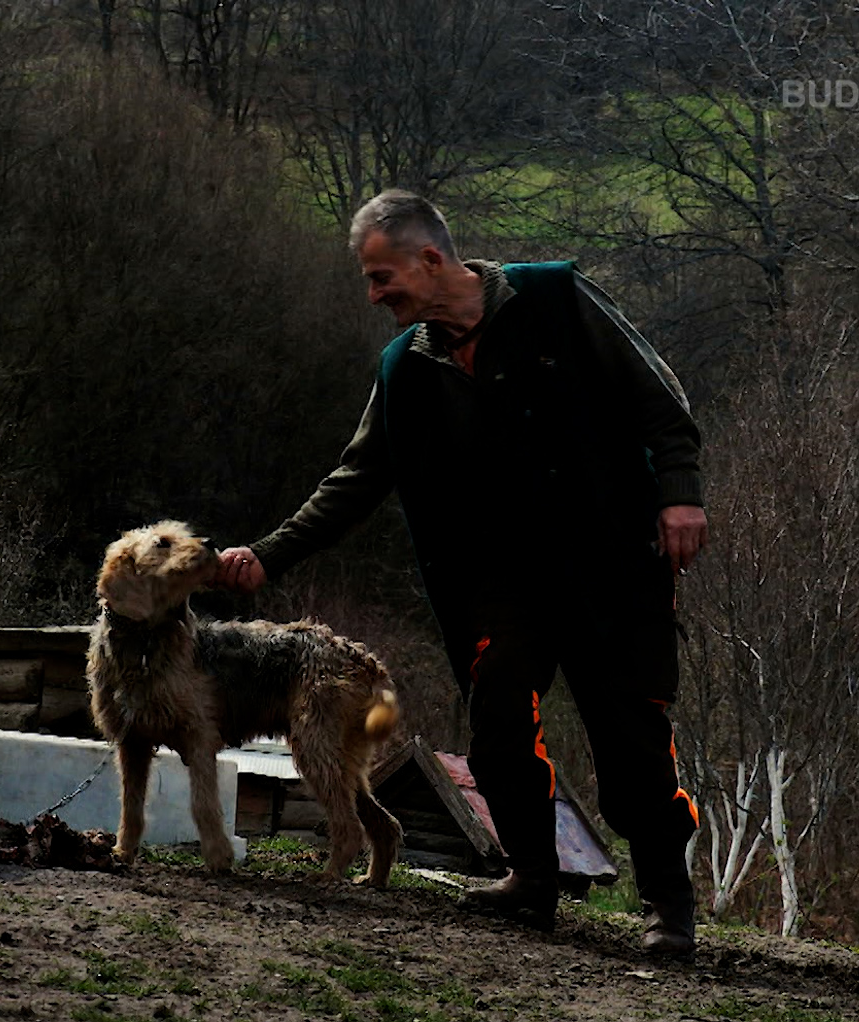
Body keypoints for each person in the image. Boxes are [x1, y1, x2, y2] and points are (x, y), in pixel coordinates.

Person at [214, 190, 707, 955]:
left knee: (630, 736)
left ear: (431, 259)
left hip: (609, 563)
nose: (375, 295)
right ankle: (531, 885)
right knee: (500, 722)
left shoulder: (556, 298)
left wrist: (680, 496)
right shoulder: (405, 369)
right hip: (499, 582)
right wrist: (267, 555)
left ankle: (669, 909)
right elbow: (357, 478)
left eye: (382, 277)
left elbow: (660, 399)